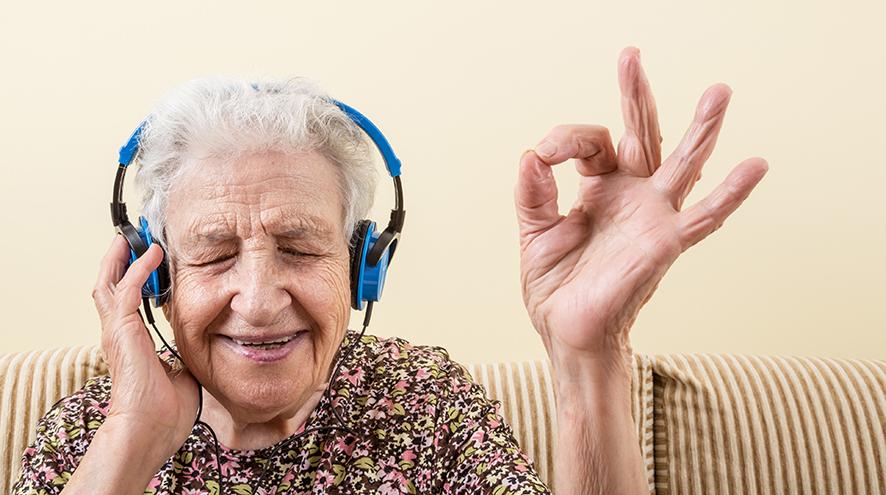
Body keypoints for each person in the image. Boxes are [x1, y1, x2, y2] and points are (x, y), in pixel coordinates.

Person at [12, 46, 768, 494]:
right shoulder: (89, 433)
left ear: (361, 264)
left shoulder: (422, 400)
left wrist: (589, 357)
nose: (260, 299)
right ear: (156, 277)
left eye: (301, 248)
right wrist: (131, 442)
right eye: (213, 254)